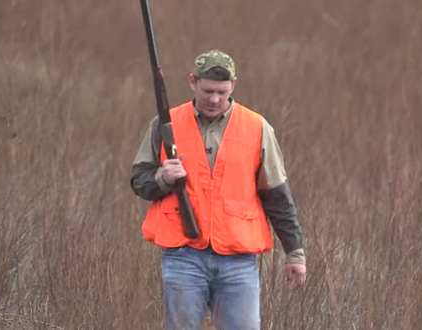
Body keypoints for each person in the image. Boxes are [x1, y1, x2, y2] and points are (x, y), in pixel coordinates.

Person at [130, 49, 307, 330]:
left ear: (233, 86)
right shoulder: (165, 124)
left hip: (238, 260)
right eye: (208, 91)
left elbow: (277, 196)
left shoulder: (257, 128)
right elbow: (139, 181)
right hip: (182, 255)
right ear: (192, 82)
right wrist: (162, 178)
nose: (214, 99)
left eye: (222, 92)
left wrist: (294, 252)